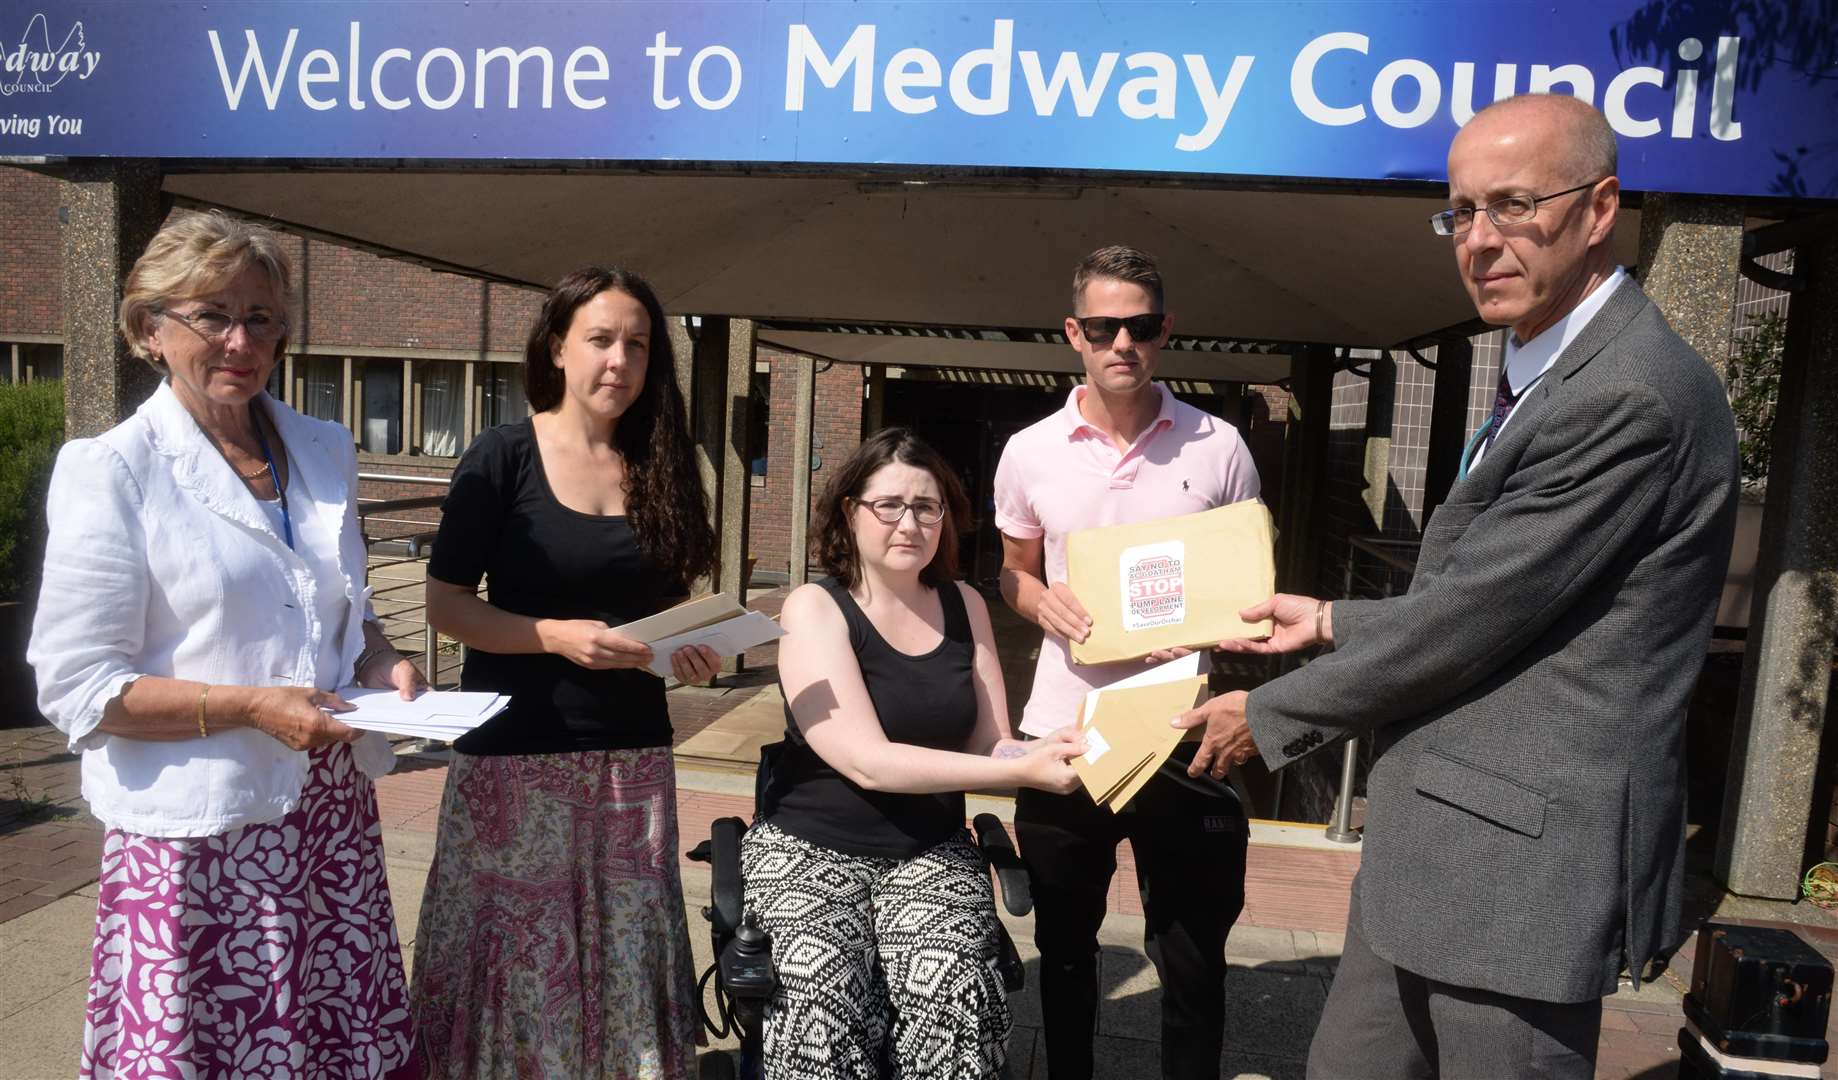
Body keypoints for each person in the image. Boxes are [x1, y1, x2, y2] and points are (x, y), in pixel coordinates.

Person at [1177, 95, 1740, 1079]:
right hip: (1434, 856)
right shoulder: (1550, 365)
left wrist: (1266, 716)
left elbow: (1469, 621)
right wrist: (1328, 618)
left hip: (1515, 880)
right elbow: (1495, 599)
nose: (1478, 241)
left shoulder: (1628, 395)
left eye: (1513, 207)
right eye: (1460, 212)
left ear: (1598, 207)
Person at [28, 210, 426, 1079]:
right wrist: (251, 705)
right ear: (150, 330)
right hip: (199, 849)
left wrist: (378, 661)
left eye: (262, 317)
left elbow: (332, 609)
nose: (240, 339)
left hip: (327, 824)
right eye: (212, 315)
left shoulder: (322, 450)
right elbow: (79, 687)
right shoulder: (115, 470)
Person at [409, 266, 719, 1078]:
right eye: (602, 339)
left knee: (621, 957)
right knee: (516, 971)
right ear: (557, 347)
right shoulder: (503, 455)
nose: (620, 360)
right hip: (514, 758)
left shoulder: (664, 463)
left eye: (639, 345)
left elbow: (670, 606)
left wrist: (693, 650)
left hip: (632, 758)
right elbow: (445, 605)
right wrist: (553, 637)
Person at [993, 244, 1263, 1080]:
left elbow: (1250, 584)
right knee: (1067, 947)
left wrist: (1212, 627)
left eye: (1140, 327)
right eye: (1104, 326)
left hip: (1181, 727)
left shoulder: (1218, 446)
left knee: (1190, 953)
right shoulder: (1029, 449)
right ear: (1074, 332)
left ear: (1165, 330)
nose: (1122, 343)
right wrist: (1043, 603)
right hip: (1066, 731)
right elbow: (1012, 572)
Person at [743, 427, 1087, 1080]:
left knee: (958, 992)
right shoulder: (815, 607)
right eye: (889, 504)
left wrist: (1049, 748)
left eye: (926, 506)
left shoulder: (964, 605)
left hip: (930, 846)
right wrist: (1015, 768)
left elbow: (991, 740)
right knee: (822, 993)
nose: (910, 522)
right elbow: (868, 760)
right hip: (811, 846)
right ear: (850, 511)